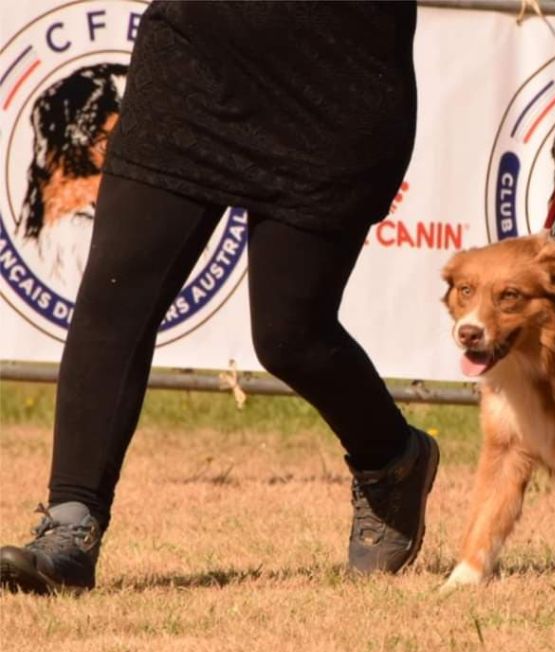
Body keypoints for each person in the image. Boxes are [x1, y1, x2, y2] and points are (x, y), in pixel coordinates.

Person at [0, 1, 438, 594]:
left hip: (338, 84)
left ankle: (392, 459)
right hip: (193, 64)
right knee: (116, 297)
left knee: (291, 335)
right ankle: (70, 528)